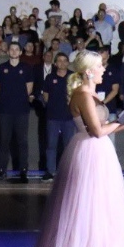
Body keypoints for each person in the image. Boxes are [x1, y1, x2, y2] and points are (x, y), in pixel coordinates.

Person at [15, 50, 124, 247]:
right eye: (100, 67)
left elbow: (102, 128)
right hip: (90, 153)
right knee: (89, 207)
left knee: (104, 209)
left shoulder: (91, 94)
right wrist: (121, 123)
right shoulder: (83, 95)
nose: (104, 70)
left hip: (100, 151)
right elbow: (96, 131)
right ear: (89, 71)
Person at [0, 42, 34, 182]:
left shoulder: (26, 68)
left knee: (22, 141)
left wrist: (19, 99)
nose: (14, 51)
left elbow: (29, 88)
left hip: (21, 110)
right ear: (8, 51)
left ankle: (23, 170)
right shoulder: (1, 67)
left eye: (17, 49)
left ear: (20, 52)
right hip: (5, 110)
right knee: (4, 141)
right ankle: (1, 170)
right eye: (12, 49)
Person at [42, 53, 75, 182]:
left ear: (68, 62)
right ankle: (50, 171)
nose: (62, 63)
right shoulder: (50, 77)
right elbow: (45, 95)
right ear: (55, 63)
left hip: (69, 116)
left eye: (64, 60)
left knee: (69, 146)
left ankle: (68, 172)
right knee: (51, 145)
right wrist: (50, 106)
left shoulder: (73, 77)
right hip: (53, 116)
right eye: (59, 61)